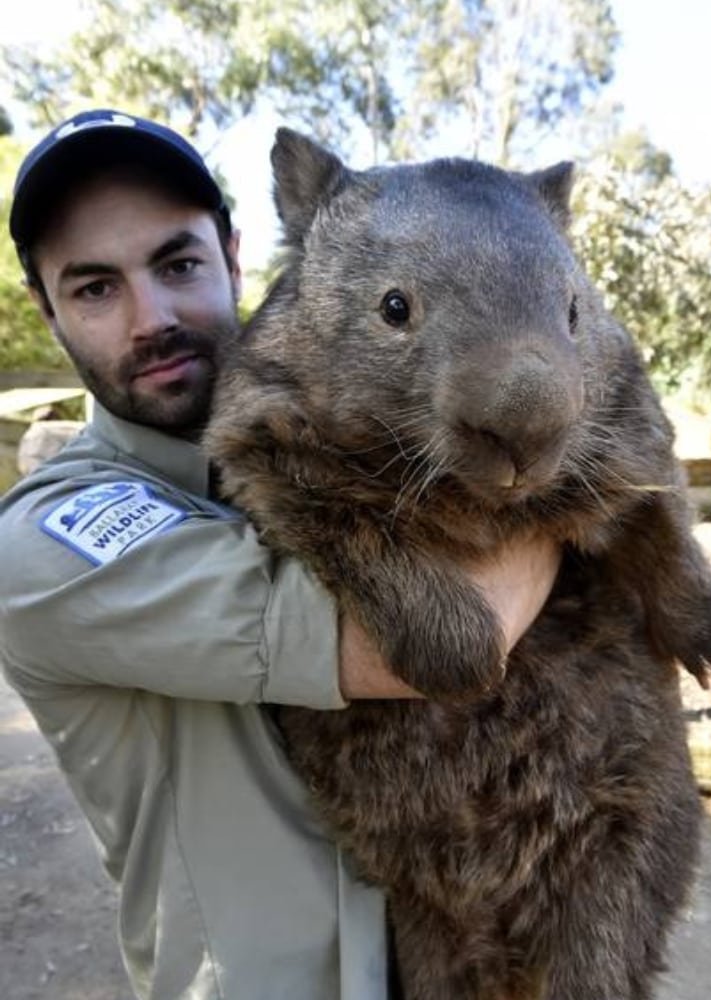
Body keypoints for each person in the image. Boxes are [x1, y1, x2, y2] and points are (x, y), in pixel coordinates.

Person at [0, 109, 561, 1000]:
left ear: (231, 255)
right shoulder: (44, 546)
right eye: (96, 287)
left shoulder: (343, 427)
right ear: (46, 305)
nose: (151, 319)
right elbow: (459, 630)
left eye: (177, 264)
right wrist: (550, 487)